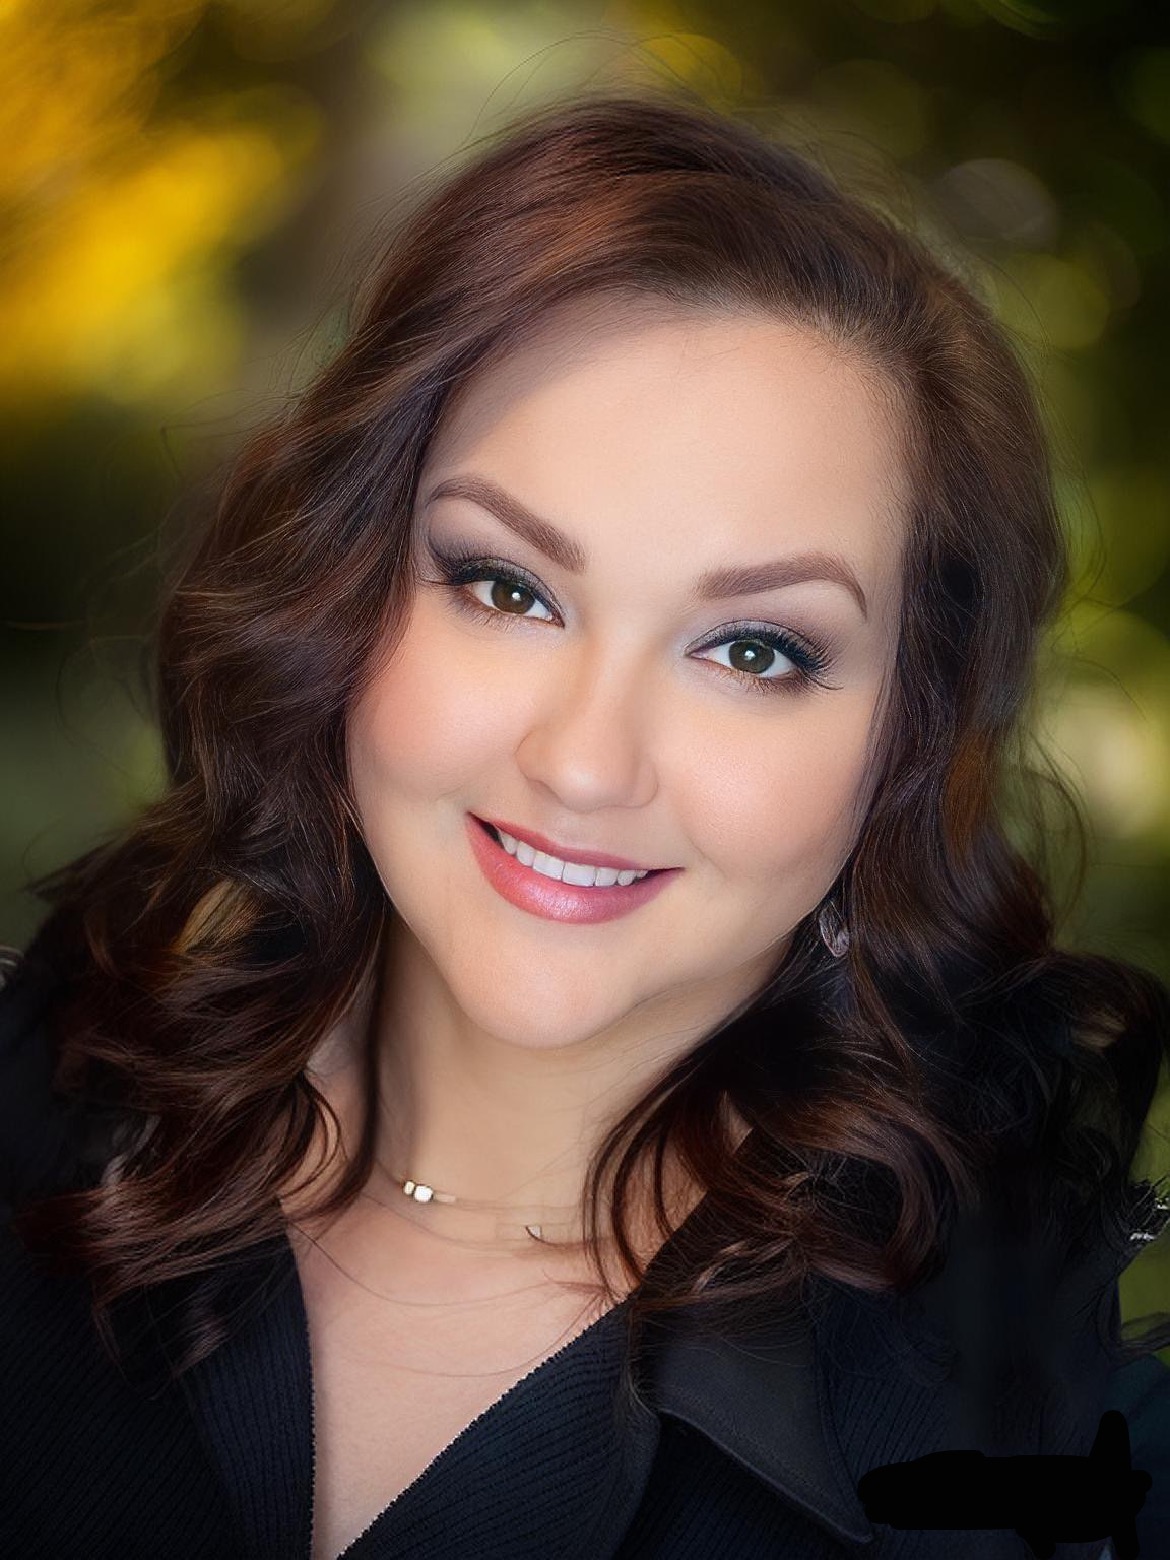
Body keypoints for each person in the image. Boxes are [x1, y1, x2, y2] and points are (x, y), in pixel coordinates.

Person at [1, 90, 1168, 1560]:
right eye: (507, 587)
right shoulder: (31, 1121)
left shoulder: (1053, 1471)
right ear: (345, 596)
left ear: (903, 746)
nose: (584, 763)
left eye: (753, 650)